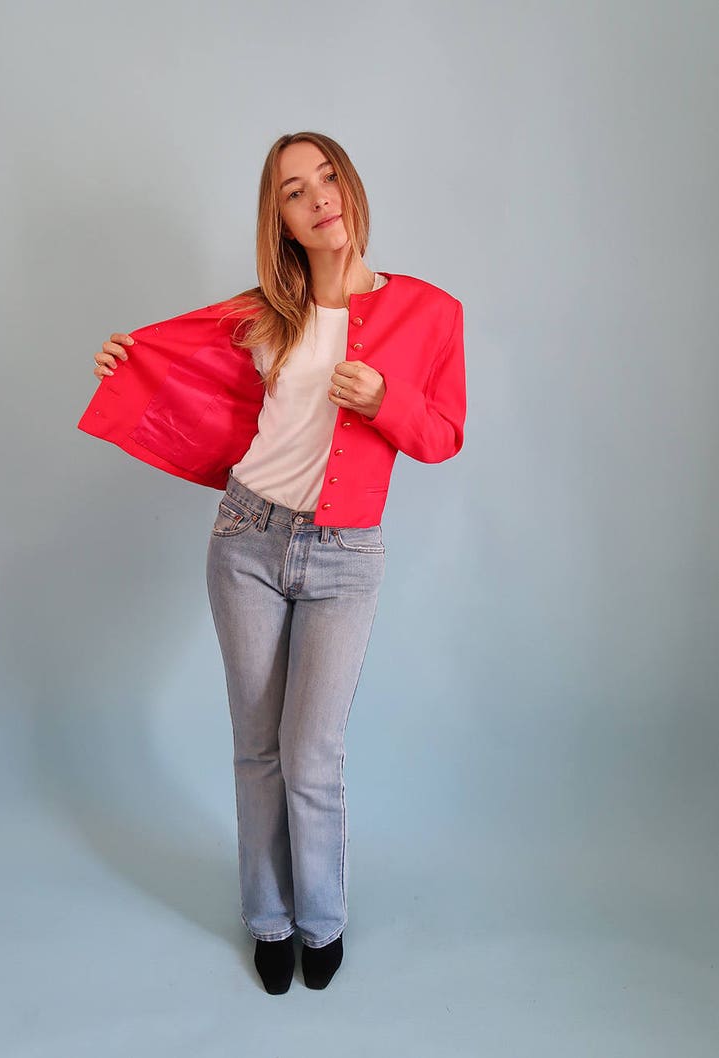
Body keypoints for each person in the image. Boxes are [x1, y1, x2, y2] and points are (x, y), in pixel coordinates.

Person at [80, 131, 467, 994]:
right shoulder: (264, 313)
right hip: (247, 541)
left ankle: (321, 920)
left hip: (345, 556)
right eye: (295, 190)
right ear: (282, 219)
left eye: (327, 176)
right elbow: (169, 363)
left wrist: (386, 399)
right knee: (257, 747)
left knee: (312, 749)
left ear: (352, 186)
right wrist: (124, 361)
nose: (319, 196)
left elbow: (443, 433)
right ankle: (268, 918)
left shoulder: (433, 313)